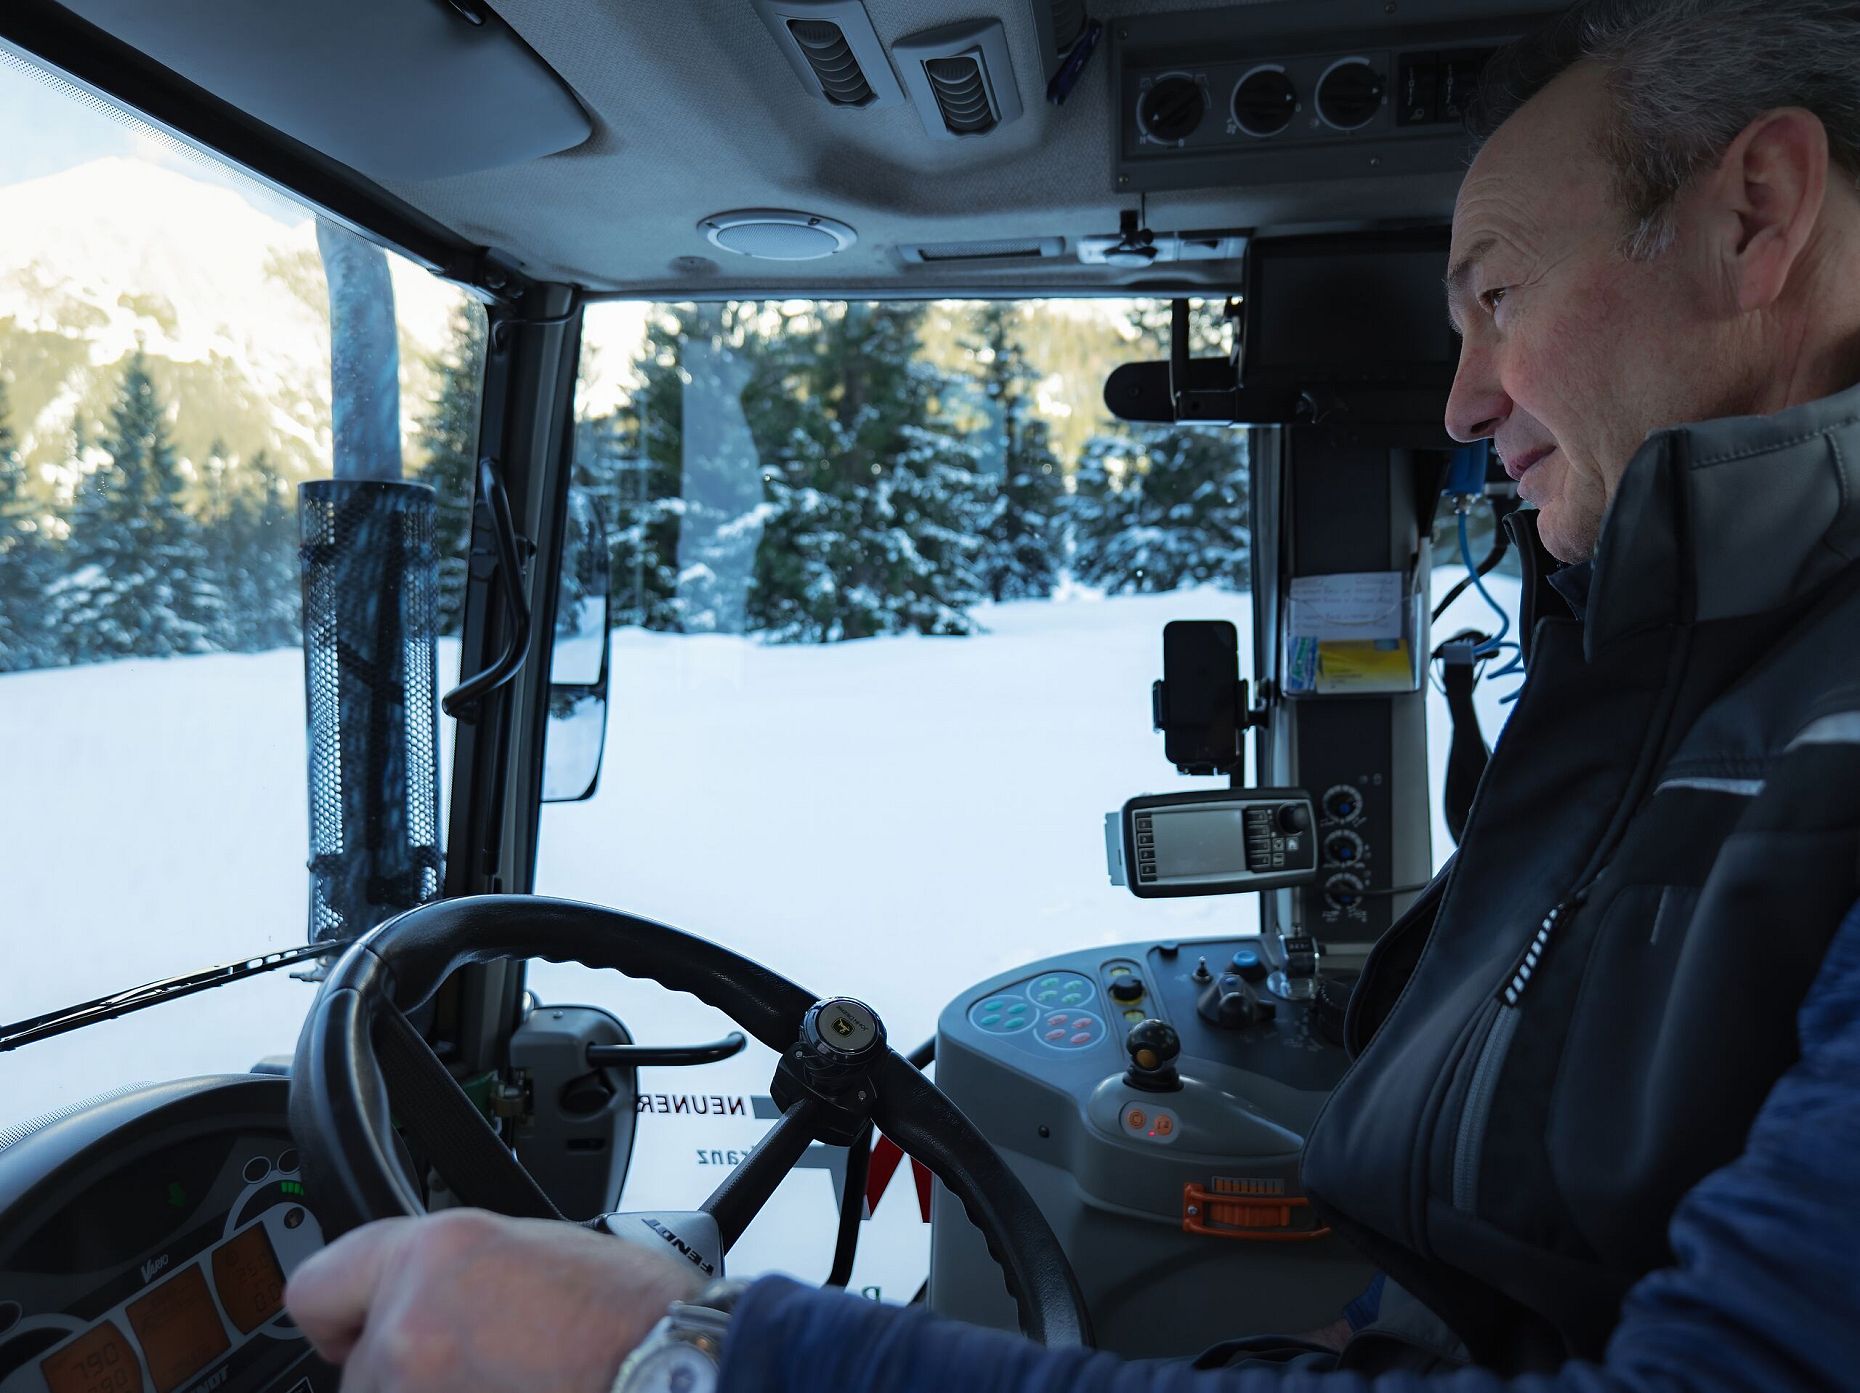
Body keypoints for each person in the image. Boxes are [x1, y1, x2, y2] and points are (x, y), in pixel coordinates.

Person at [284, 1, 1860, 1387]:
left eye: (1497, 297)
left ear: (1754, 217)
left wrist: (677, 1353)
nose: (1460, 400)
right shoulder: (1655, 671)